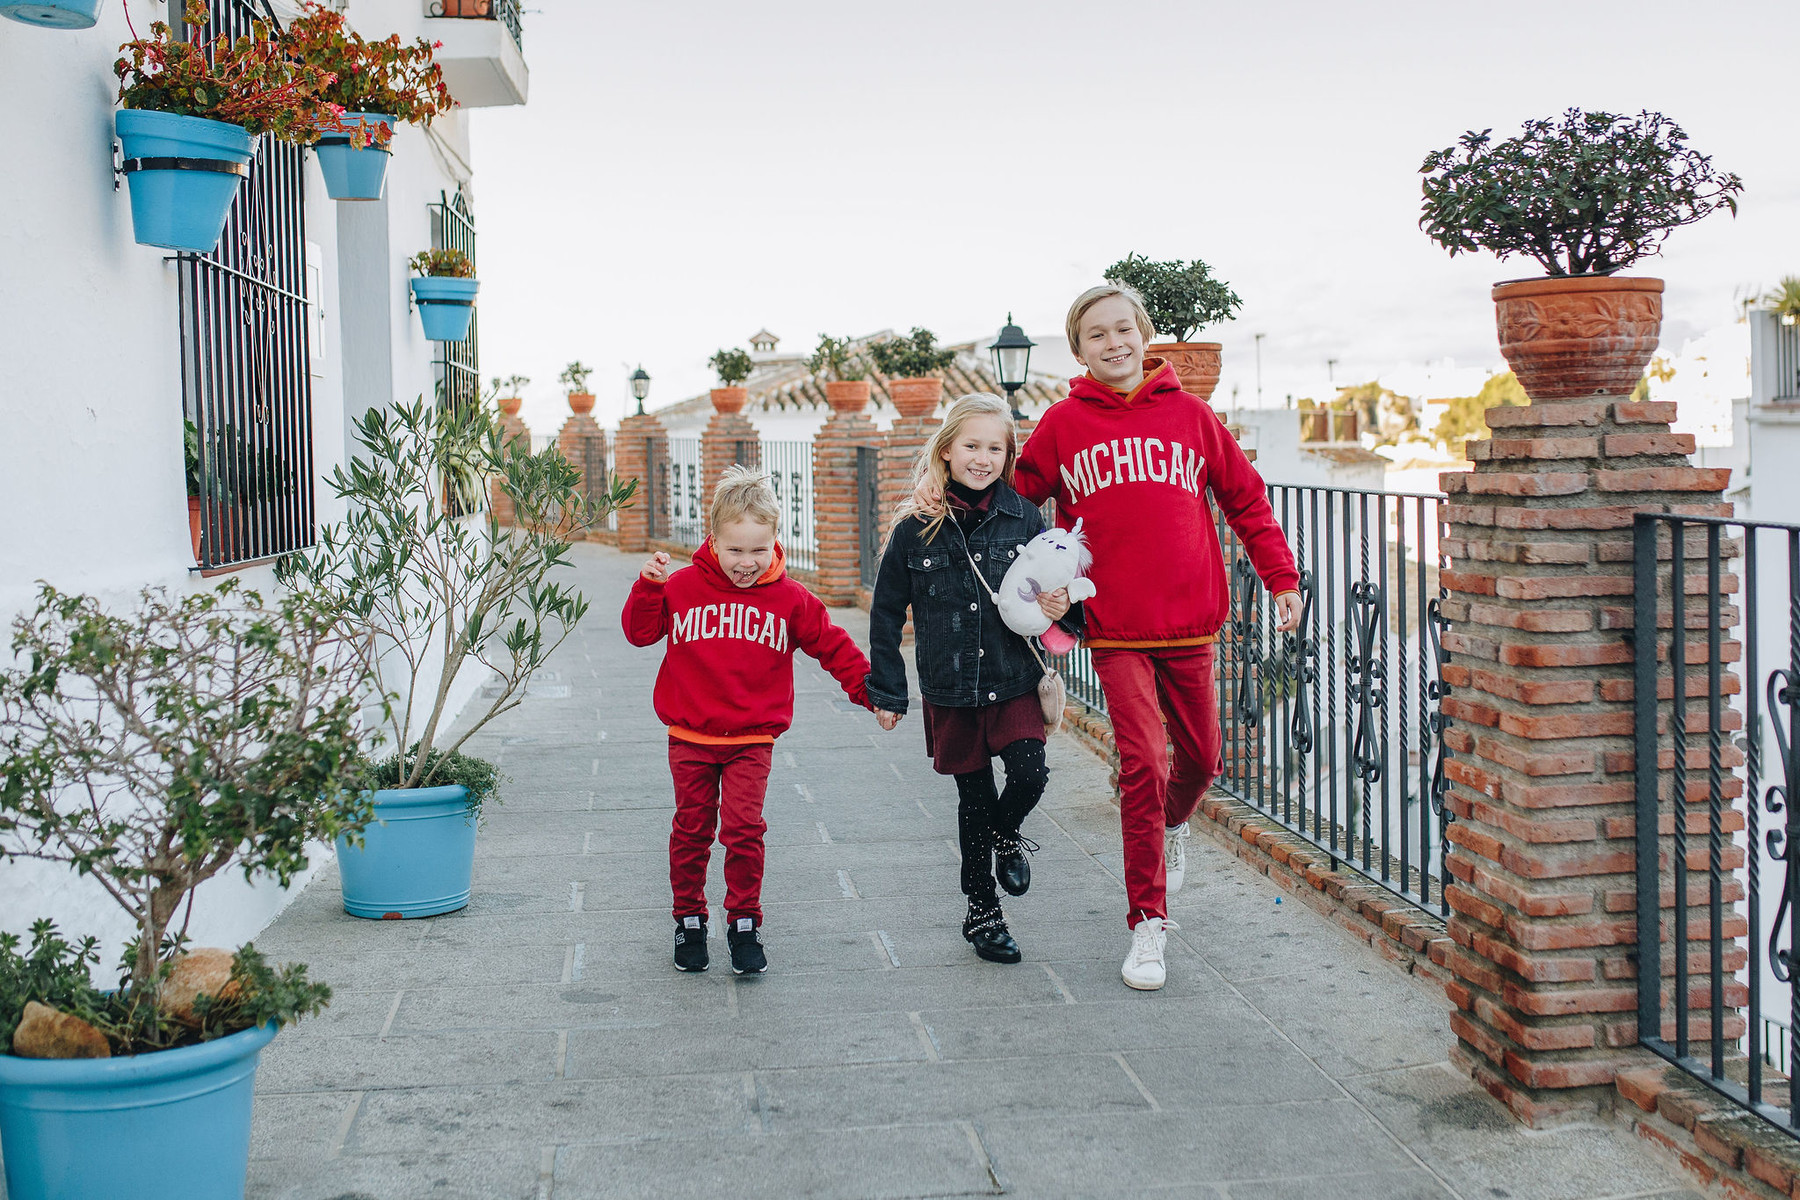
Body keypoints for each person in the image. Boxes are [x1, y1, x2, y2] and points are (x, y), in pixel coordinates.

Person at [1013, 283, 1301, 991]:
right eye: (1096, 335)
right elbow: (1018, 504)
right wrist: (1028, 575)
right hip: (1114, 629)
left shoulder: (1191, 417)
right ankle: (1148, 923)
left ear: (1145, 336)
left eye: (1123, 330)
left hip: (1189, 623)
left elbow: (1245, 497)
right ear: (1078, 350)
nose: (1113, 344)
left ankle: (1173, 822)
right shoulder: (1063, 423)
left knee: (1201, 761)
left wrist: (1281, 577)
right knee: (1142, 760)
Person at [623, 464, 873, 975]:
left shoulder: (790, 599)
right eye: (735, 550)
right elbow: (640, 634)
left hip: (752, 739)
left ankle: (743, 923)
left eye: (758, 550)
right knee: (692, 829)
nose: (746, 562)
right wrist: (648, 588)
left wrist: (871, 691)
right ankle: (689, 918)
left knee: (743, 829)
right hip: (689, 736)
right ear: (712, 541)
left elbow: (832, 645)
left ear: (775, 541)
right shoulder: (683, 587)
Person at [867, 392, 1077, 965]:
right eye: (970, 445)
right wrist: (887, 691)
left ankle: (1006, 835)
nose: (981, 458)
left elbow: (1062, 588)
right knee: (973, 799)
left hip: (1012, 678)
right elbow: (887, 611)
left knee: (1030, 775)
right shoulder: (916, 527)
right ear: (947, 449)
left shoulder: (1024, 517)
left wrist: (1064, 606)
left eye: (994, 448)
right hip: (952, 688)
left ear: (1007, 455)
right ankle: (982, 912)